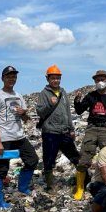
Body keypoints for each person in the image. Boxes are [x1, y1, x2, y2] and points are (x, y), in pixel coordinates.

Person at [0, 66, 39, 207]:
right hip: (4, 138)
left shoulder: (19, 96)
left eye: (13, 77)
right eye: (8, 76)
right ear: (3, 78)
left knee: (32, 159)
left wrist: (23, 113)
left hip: (19, 136)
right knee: (1, 170)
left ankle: (22, 187)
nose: (11, 79)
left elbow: (25, 119)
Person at [72, 70, 106, 200]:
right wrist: (77, 100)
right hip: (92, 128)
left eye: (103, 79)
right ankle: (80, 188)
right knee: (84, 157)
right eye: (98, 80)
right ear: (94, 81)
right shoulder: (91, 96)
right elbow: (79, 110)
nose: (100, 82)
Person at [36, 65, 79, 193]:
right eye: (53, 78)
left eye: (58, 78)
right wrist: (50, 104)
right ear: (47, 79)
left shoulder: (63, 92)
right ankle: (50, 186)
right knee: (49, 159)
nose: (56, 80)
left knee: (75, 156)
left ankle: (84, 179)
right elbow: (40, 112)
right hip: (50, 132)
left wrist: (71, 129)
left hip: (64, 131)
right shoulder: (44, 94)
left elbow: (67, 112)